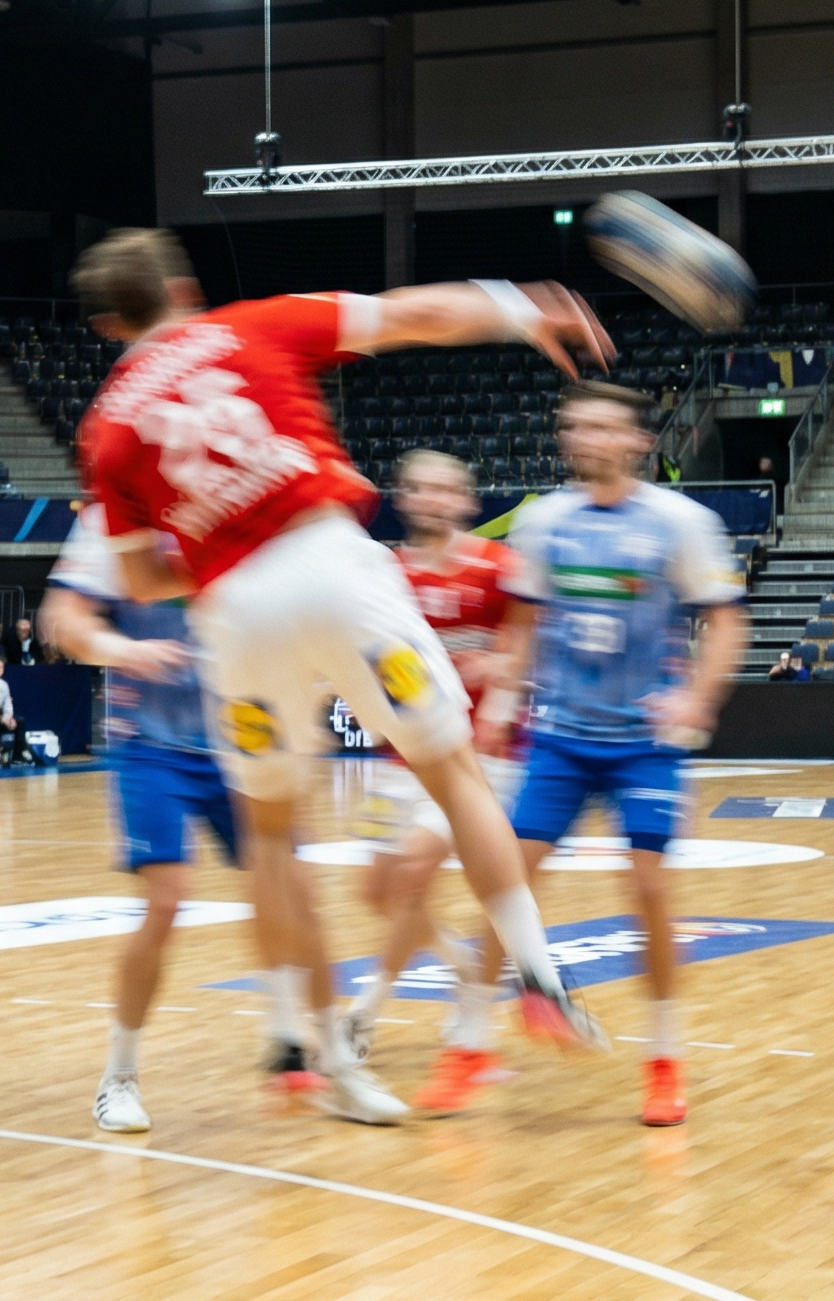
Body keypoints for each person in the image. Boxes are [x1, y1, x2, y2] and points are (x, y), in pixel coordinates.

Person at [70, 227, 608, 1117]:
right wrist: (521, 307)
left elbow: (137, 580)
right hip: (332, 566)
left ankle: (326, 1062)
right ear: (183, 286)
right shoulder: (249, 327)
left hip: (236, 620)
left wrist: (212, 546)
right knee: (454, 771)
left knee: (272, 839)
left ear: (106, 324)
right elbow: (417, 313)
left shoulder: (107, 434)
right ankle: (538, 975)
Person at [488, 384, 746, 1127]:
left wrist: (696, 697)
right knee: (506, 883)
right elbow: (520, 626)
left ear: (637, 442)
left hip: (644, 743)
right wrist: (503, 701)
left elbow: (726, 624)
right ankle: (468, 1045)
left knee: (650, 891)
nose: (586, 437)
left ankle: (664, 1061)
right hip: (562, 737)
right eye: (575, 426)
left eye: (603, 426)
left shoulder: (680, 522)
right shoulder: (543, 522)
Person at [43, 502, 303, 1131]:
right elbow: (62, 620)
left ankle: (292, 1042)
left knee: (287, 888)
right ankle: (120, 1076)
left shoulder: (254, 500)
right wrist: (120, 648)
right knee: (166, 901)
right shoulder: (114, 516)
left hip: (245, 731)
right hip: (151, 742)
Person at [340, 449, 533, 1117]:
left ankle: (363, 1013)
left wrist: (500, 680)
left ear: (466, 500)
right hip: (401, 756)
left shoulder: (497, 566)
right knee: (377, 890)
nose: (430, 499)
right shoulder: (387, 571)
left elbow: (526, 637)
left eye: (443, 489)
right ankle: (463, 967)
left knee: (415, 871)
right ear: (403, 498)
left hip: (476, 758)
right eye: (417, 488)